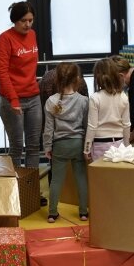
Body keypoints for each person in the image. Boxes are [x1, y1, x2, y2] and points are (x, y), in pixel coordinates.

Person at [0, 1, 42, 169]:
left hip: (33, 97)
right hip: (12, 99)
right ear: (15, 20)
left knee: (34, 146)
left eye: (30, 20)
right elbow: (2, 72)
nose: (28, 24)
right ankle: (14, 190)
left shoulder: (32, 35)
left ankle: (32, 190)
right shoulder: (4, 39)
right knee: (17, 147)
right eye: (23, 21)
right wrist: (14, 99)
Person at [43, 62, 89, 222]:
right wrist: (87, 146)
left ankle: (52, 213)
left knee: (56, 180)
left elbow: (48, 128)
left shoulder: (51, 101)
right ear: (77, 79)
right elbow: (86, 126)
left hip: (60, 145)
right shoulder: (83, 101)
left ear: (57, 79)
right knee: (81, 178)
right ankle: (83, 211)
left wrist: (47, 147)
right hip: (78, 143)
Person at [84, 58, 131, 162]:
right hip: (119, 143)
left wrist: (86, 149)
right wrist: (127, 146)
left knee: (101, 177)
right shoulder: (123, 97)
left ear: (97, 78)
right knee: (117, 176)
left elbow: (92, 126)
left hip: (100, 144)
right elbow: (127, 124)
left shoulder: (95, 98)